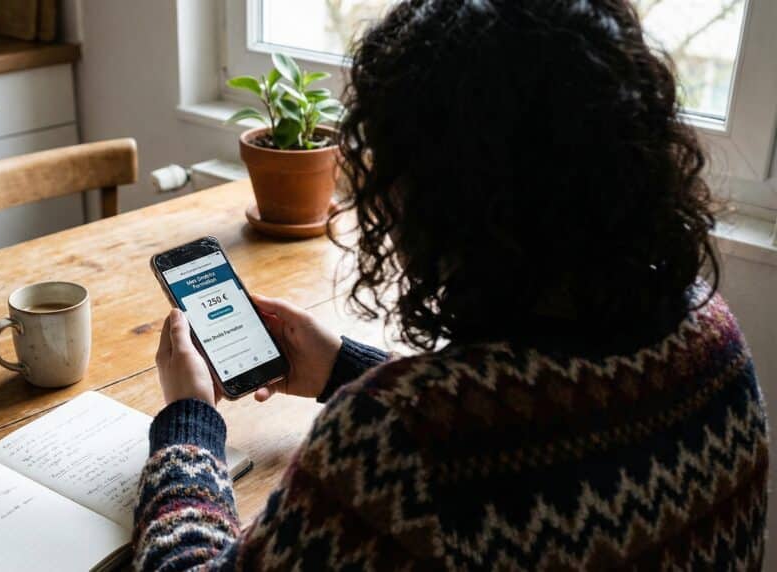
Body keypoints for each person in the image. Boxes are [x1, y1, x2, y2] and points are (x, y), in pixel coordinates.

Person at [133, 0, 769, 569]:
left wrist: (188, 421)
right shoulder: (713, 335)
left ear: (446, 201)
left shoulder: (398, 444)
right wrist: (345, 367)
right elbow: (539, 419)